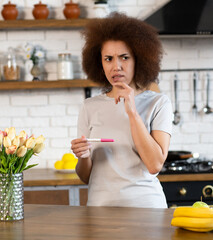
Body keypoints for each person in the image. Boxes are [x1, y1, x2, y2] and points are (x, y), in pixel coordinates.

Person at [71, 12, 172, 208]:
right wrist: (82, 157)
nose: (116, 66)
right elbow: (86, 177)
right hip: (100, 211)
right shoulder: (89, 107)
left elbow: (154, 165)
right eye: (108, 59)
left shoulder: (159, 103)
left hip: (146, 210)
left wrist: (132, 112)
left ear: (138, 60)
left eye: (124, 57)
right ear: (100, 63)